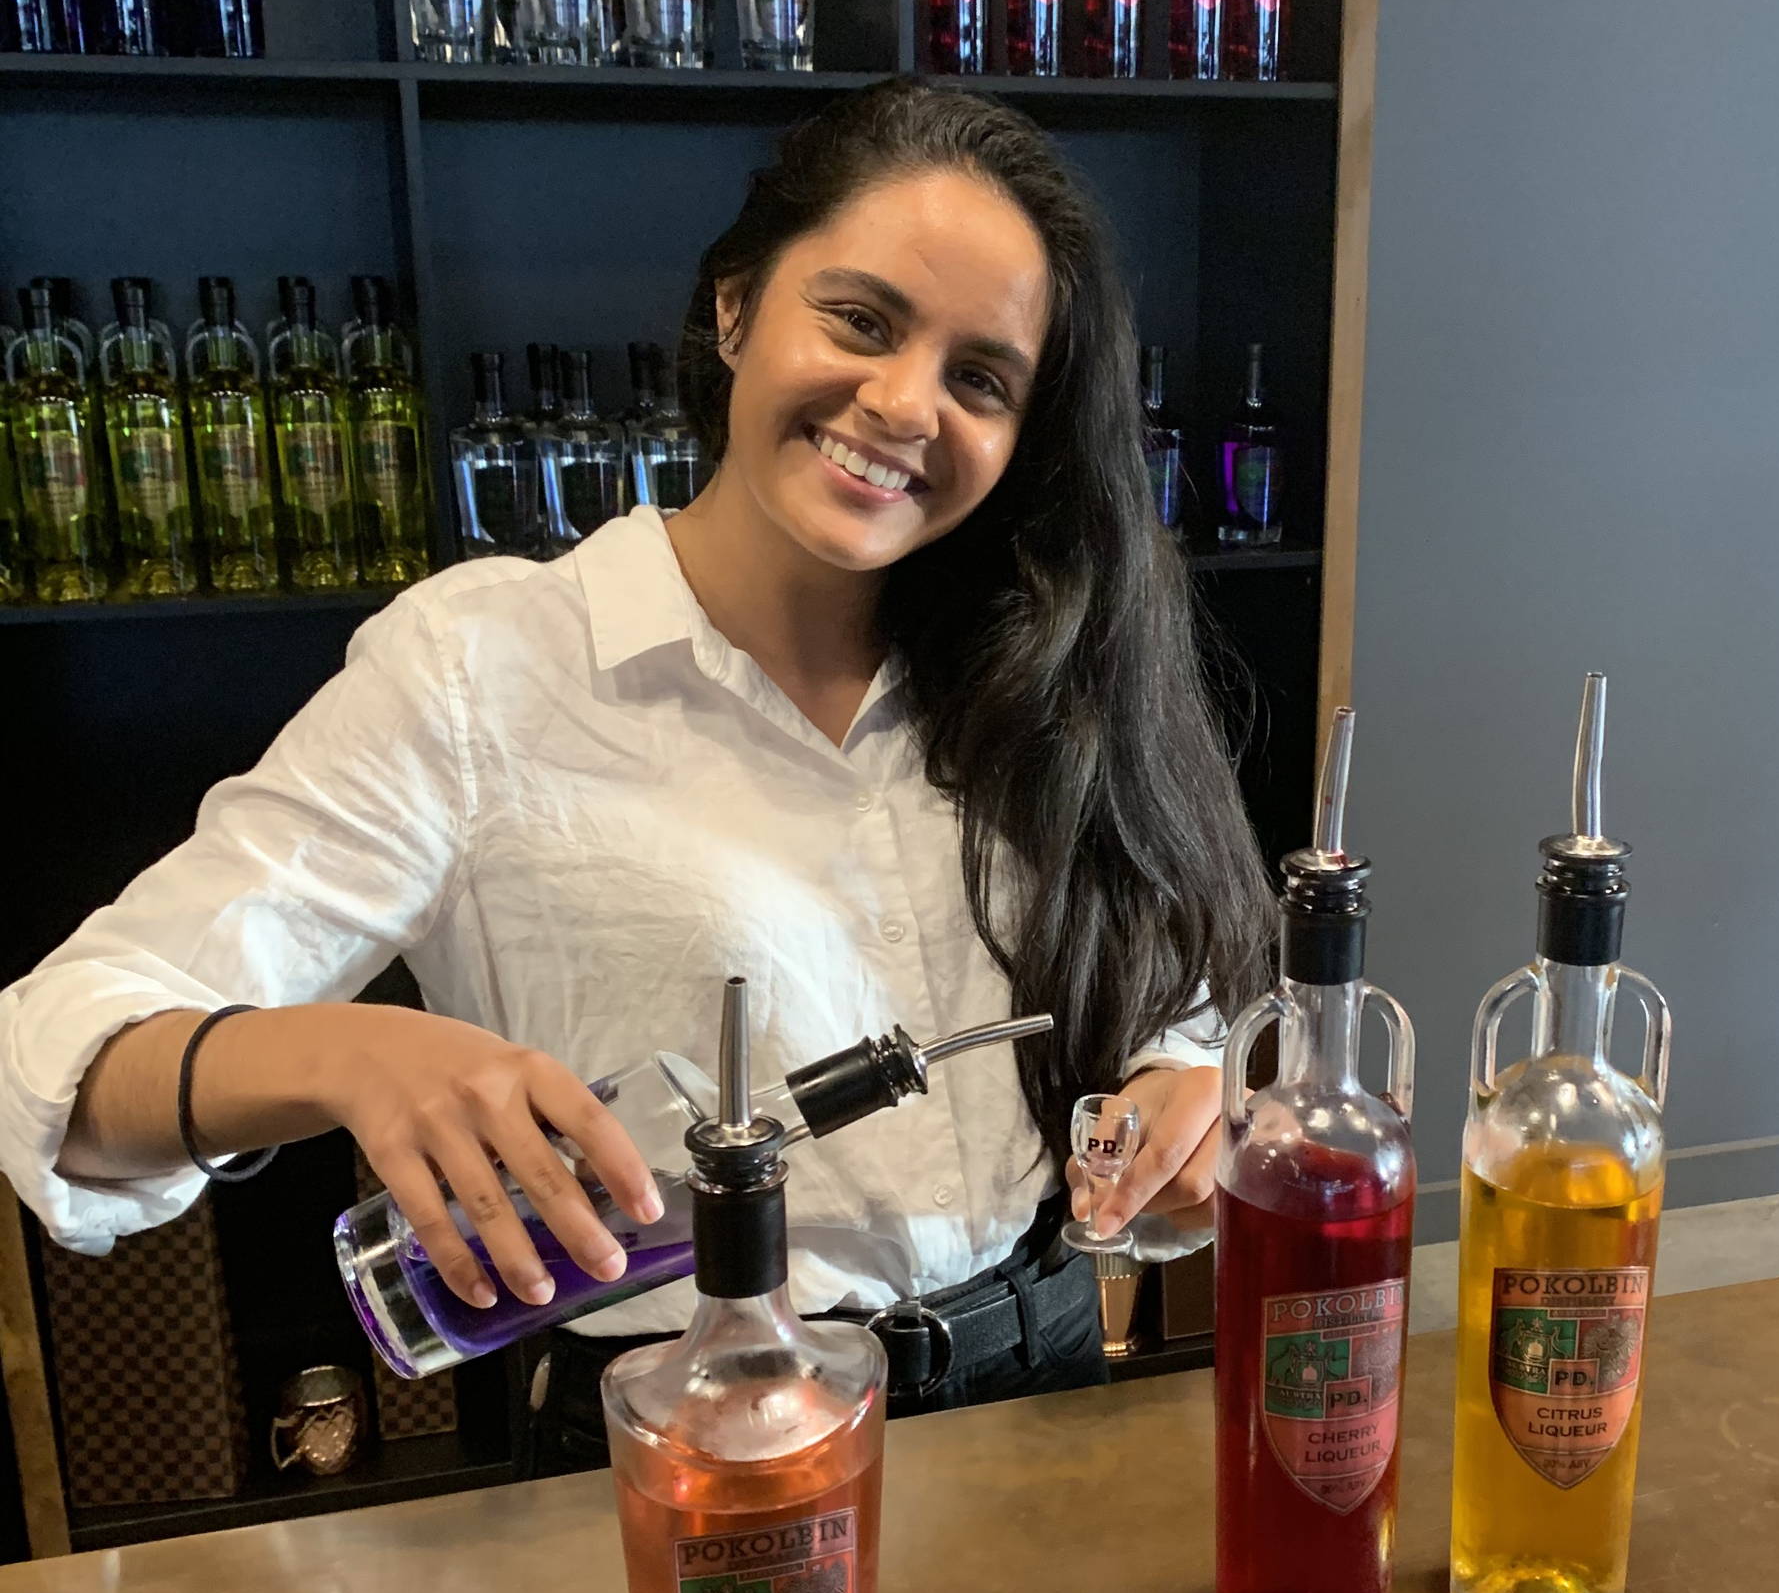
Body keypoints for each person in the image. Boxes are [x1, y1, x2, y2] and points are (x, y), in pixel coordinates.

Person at [0, 80, 1274, 1455]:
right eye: (860, 319)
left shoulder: (1043, 671)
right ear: (731, 309)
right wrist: (343, 1052)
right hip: (689, 1443)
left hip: (1039, 1401)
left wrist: (1186, 1081)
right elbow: (65, 1067)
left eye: (981, 379)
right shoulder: (480, 669)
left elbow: (1179, 990)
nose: (906, 402)